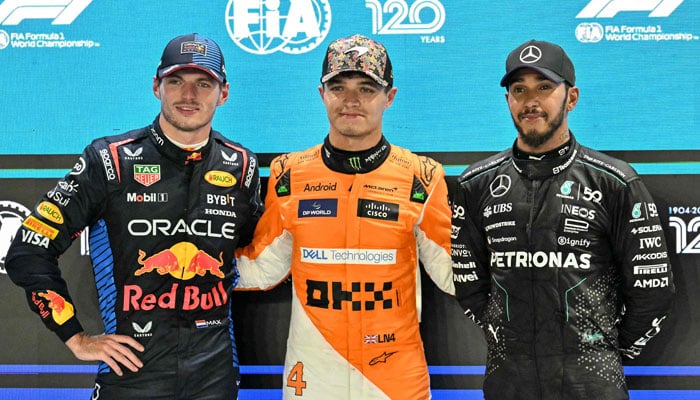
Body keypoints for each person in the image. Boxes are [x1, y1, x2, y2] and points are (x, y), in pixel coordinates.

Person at [6, 33, 263, 399]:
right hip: (131, 375)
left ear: (223, 93)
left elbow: (258, 253)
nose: (188, 95)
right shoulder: (109, 161)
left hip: (214, 375)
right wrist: (74, 337)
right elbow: (28, 250)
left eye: (203, 83)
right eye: (176, 81)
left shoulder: (242, 166)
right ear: (157, 86)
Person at [450, 39, 675, 400]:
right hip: (509, 381)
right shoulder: (476, 184)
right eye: (518, 90)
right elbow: (469, 285)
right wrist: (504, 336)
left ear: (571, 98)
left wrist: (600, 348)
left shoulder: (615, 182)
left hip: (592, 383)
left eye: (544, 87)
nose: (530, 101)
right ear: (508, 100)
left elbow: (653, 291)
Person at [234, 34, 454, 399]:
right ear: (322, 94)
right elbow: (263, 266)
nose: (351, 100)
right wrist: (194, 263)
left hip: (394, 376)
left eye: (367, 88)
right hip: (313, 374)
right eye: (338, 87)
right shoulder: (289, 173)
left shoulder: (423, 176)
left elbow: (454, 274)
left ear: (390, 97)